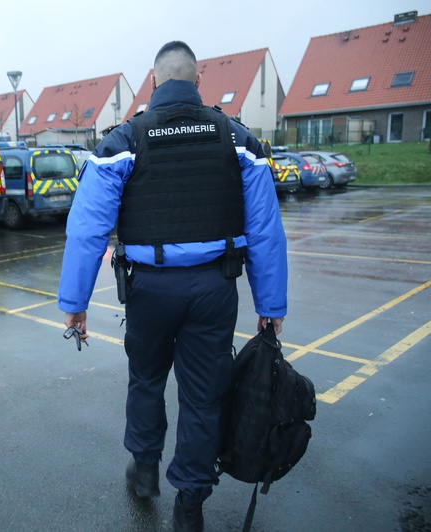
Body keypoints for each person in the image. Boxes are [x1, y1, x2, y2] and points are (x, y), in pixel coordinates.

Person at [57, 41, 287, 532]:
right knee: (204, 397)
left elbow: (87, 230)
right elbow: (266, 230)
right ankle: (191, 503)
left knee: (146, 380)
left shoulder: (124, 140)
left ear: (154, 81)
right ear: (198, 81)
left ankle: (144, 469)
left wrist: (75, 303)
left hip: (149, 290)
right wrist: (271, 305)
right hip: (215, 289)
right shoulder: (237, 139)